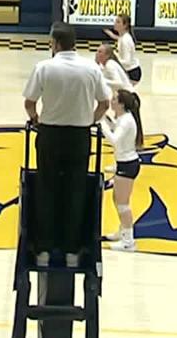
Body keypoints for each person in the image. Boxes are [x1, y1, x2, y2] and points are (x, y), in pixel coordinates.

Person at [23, 23, 112, 267]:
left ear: (55, 43)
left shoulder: (44, 67)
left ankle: (43, 250)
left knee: (46, 189)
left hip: (50, 135)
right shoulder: (91, 68)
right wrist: (89, 120)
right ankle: (73, 251)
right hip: (79, 137)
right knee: (76, 190)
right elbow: (104, 103)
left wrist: (36, 120)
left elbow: (29, 103)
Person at [101, 89, 143, 252]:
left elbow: (114, 140)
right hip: (124, 163)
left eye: (114, 99)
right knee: (116, 198)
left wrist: (101, 124)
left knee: (123, 204)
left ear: (121, 103)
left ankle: (128, 241)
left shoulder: (126, 121)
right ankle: (122, 231)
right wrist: (106, 120)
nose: (111, 101)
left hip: (127, 165)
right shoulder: (123, 119)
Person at [104, 14, 141, 83]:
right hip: (130, 71)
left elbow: (127, 61)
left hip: (131, 73)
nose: (115, 23)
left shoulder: (125, 40)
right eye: (115, 21)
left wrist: (112, 60)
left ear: (125, 25)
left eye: (118, 22)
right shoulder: (123, 37)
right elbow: (118, 38)